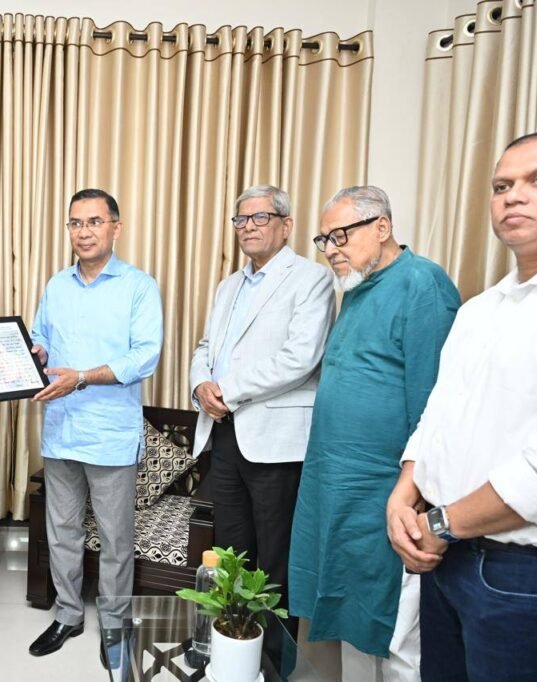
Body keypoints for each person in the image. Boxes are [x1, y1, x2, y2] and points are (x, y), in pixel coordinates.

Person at [387, 131, 537, 681]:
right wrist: (403, 495)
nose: (513, 195)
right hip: (447, 558)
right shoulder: (480, 309)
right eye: (502, 186)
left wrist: (440, 523)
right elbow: (438, 415)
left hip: (530, 575)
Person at [289, 185, 461, 682]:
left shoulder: (422, 284)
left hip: (388, 490)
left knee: (395, 633)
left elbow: (433, 402)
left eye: (340, 235)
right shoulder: (357, 289)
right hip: (337, 486)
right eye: (324, 239)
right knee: (351, 619)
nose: (330, 249)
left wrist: (415, 494)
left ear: (382, 227)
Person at [189, 184, 334, 654]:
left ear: (285, 225)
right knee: (231, 552)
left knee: (274, 558)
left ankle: (271, 659)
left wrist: (226, 390)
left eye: (260, 217)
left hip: (275, 442)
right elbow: (206, 348)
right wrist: (200, 384)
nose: (248, 227)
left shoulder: (311, 279)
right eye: (241, 219)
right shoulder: (228, 285)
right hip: (224, 433)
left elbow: (300, 359)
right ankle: (231, 648)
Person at [27, 189, 163, 661]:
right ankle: (67, 614)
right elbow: (42, 337)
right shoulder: (56, 285)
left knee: (115, 539)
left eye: (94, 221)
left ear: (115, 228)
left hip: (110, 435)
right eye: (75, 223)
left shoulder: (139, 286)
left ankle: (114, 624)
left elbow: (145, 356)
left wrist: (82, 377)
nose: (83, 232)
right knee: (62, 531)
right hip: (61, 430)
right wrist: (34, 351)